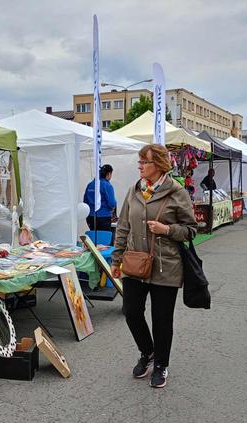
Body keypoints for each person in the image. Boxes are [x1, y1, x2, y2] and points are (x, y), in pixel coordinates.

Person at [111, 144, 197, 389]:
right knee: (131, 312)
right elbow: (123, 227)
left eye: (144, 162)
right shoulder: (134, 190)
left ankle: (161, 364)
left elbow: (191, 229)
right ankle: (147, 351)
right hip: (135, 263)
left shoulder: (177, 192)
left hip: (166, 266)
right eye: (139, 162)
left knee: (161, 319)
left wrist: (166, 229)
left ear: (159, 164)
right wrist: (116, 260)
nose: (139, 166)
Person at [84, 164, 117, 232]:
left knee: (94, 239)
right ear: (109, 173)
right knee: (103, 240)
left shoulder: (90, 185)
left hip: (91, 217)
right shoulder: (107, 186)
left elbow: (85, 201)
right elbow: (112, 203)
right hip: (104, 217)